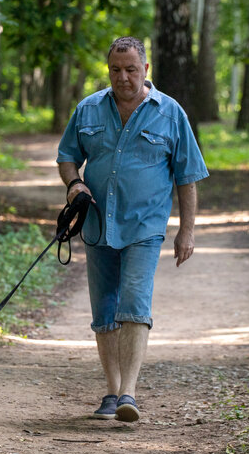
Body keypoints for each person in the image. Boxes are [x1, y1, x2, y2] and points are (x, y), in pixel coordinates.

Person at [56, 36, 208, 423]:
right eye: (115, 70)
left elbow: (187, 177)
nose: (123, 77)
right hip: (96, 223)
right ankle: (111, 391)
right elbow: (67, 156)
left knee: (134, 304)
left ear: (145, 70)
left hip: (145, 226)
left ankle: (130, 393)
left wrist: (186, 231)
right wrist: (74, 184)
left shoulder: (170, 114)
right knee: (104, 309)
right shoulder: (89, 109)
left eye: (131, 70)